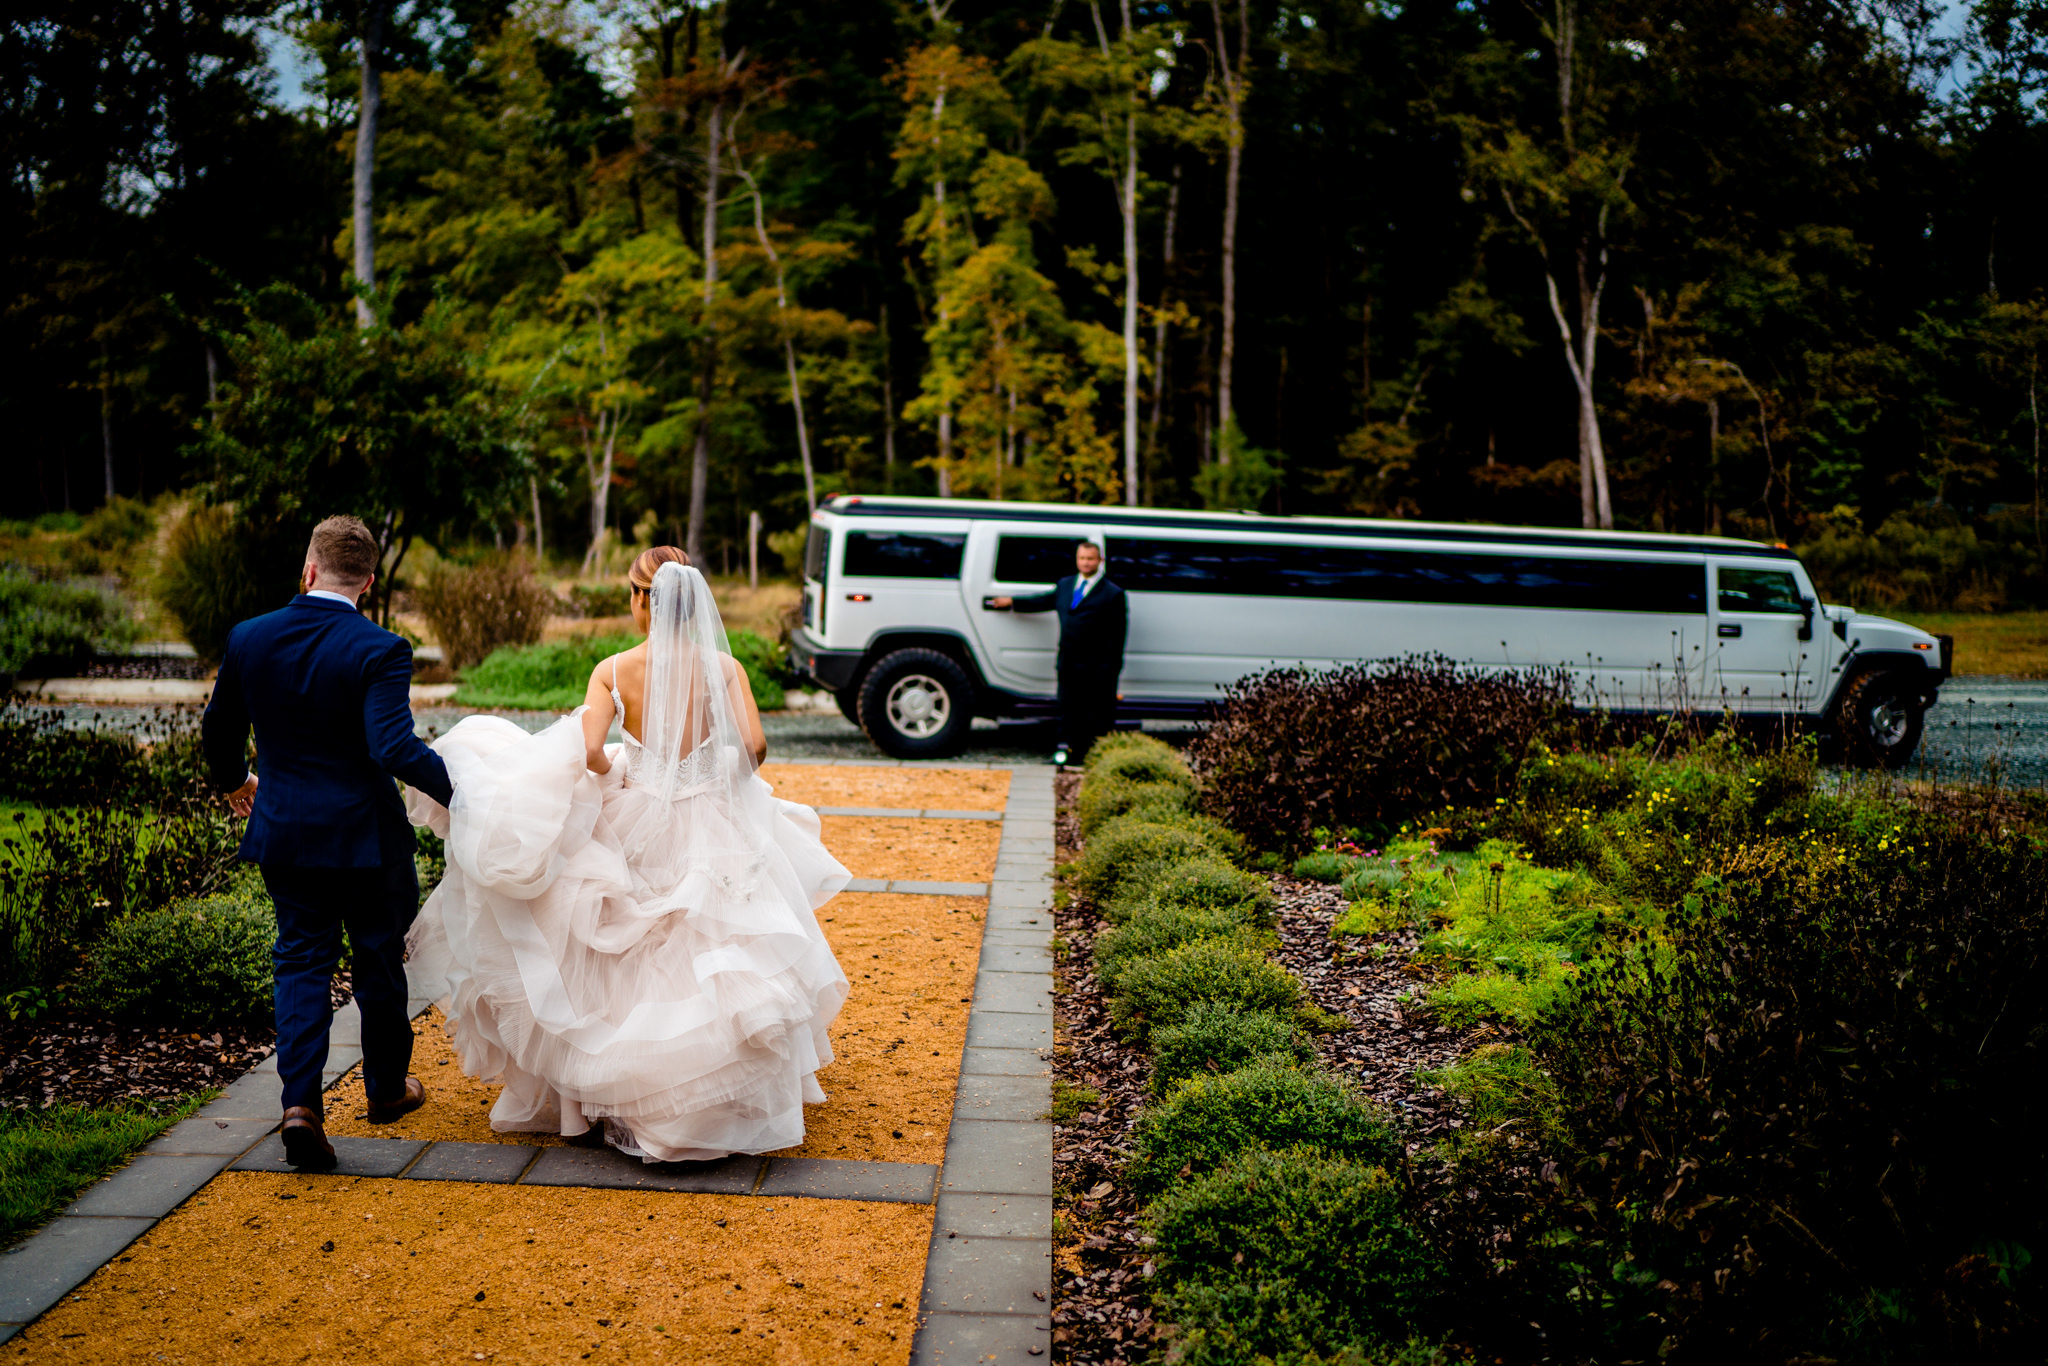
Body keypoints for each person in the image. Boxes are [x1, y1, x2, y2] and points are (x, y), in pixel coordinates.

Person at [401, 548, 850, 1161]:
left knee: (614, 947)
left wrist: (622, 767)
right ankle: (707, 1094)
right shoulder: (725, 668)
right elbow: (754, 744)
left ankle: (611, 1094)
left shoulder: (613, 669)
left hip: (636, 808)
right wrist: (709, 773)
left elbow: (589, 752)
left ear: (642, 599)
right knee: (710, 944)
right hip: (708, 814)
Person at [203, 514, 451, 1171]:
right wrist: (467, 797)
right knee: (378, 959)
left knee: (301, 962)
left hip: (285, 832)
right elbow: (392, 747)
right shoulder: (380, 649)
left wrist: (236, 781)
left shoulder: (250, 638)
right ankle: (386, 1090)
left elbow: (218, 728)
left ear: (308, 569)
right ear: (368, 582)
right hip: (368, 839)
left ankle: (300, 1107)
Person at [989, 537, 1128, 766]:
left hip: (1097, 667)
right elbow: (1043, 601)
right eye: (1082, 558)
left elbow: (1117, 637)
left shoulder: (1113, 593)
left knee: (1094, 714)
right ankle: (1066, 753)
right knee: (1067, 709)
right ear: (1076, 559)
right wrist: (1012, 602)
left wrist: (1111, 671)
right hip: (1068, 662)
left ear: (1100, 560)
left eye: (1090, 559)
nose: (1085, 563)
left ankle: (1093, 757)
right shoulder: (1065, 584)